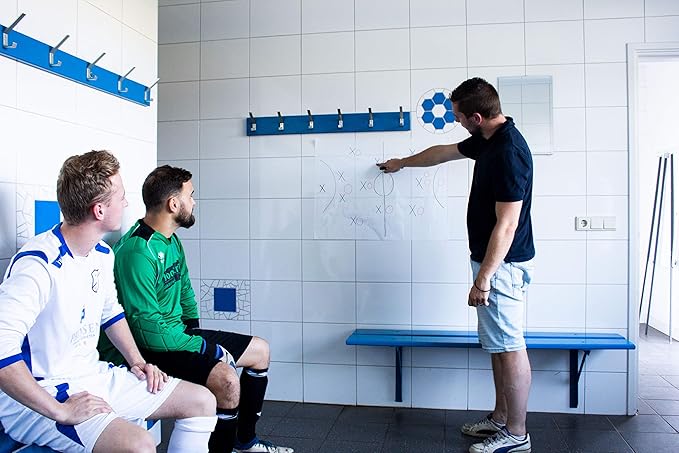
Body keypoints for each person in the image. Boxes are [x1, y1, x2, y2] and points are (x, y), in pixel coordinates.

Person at [0, 151, 218, 453]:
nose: (127, 203)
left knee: (202, 401)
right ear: (99, 210)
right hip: (44, 392)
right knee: (139, 444)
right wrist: (60, 411)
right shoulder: (38, 265)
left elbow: (111, 314)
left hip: (92, 376)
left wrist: (138, 363)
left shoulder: (102, 254)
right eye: (121, 197)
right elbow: (1, 352)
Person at [378, 77, 535, 453]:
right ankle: (500, 419)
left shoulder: (508, 151)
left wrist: (484, 279)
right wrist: (403, 163)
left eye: (459, 116)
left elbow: (508, 223)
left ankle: (517, 434)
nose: (457, 122)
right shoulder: (488, 140)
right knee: (499, 345)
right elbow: (443, 152)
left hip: (503, 266)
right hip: (490, 262)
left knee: (511, 346)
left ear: (477, 117)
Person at [98, 165, 293, 453]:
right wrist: (206, 350)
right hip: (149, 348)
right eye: (191, 195)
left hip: (174, 337)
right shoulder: (137, 252)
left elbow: (186, 291)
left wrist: (194, 337)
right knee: (226, 380)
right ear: (173, 203)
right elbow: (149, 331)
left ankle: (245, 441)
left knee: (260, 350)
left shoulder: (171, 240)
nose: (194, 202)